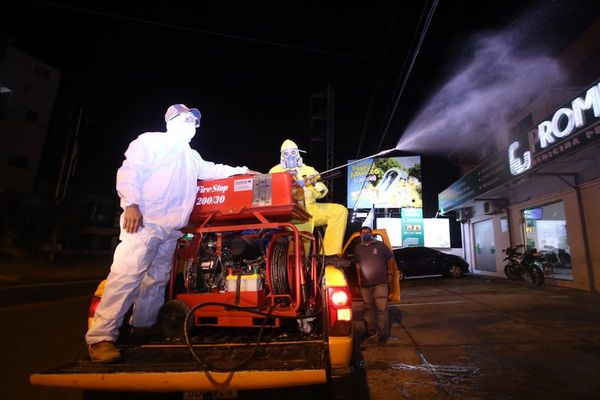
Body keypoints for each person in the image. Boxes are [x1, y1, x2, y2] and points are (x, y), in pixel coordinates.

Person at [86, 104, 257, 363]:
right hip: (144, 222)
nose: (191, 124)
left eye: (194, 121)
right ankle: (100, 338)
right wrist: (130, 203)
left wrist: (244, 172)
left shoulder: (191, 156)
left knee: (156, 281)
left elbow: (213, 170)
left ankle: (142, 326)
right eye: (186, 118)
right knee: (126, 277)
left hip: (170, 229)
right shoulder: (150, 141)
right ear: (172, 120)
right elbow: (130, 171)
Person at [269, 139, 347, 257]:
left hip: (311, 210)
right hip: (290, 214)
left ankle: (329, 255)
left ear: (298, 153)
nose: (290, 156)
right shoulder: (274, 171)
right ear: (281, 156)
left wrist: (315, 184)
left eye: (293, 153)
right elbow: (271, 193)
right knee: (300, 255)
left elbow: (321, 192)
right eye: (286, 153)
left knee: (339, 211)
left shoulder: (309, 170)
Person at [354, 226, 393, 345]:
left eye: (368, 232)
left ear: (371, 234)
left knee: (382, 309)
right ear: (360, 235)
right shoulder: (358, 248)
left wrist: (390, 273)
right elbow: (358, 264)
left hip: (380, 282)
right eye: (363, 232)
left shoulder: (380, 245)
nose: (365, 234)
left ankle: (382, 334)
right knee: (368, 309)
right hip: (365, 284)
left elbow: (390, 258)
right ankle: (371, 331)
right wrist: (359, 278)